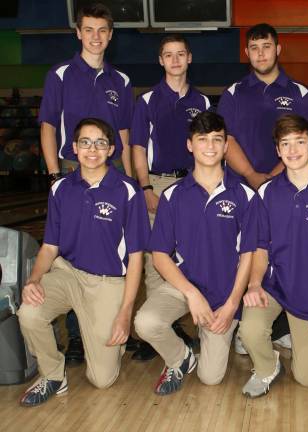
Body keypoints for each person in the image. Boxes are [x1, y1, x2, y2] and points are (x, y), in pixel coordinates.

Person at [17, 118, 149, 407]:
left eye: (100, 142)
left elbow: (137, 257)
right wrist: (34, 279)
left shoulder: (128, 190)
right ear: (74, 148)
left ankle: (107, 340)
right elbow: (50, 246)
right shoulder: (60, 189)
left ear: (111, 149)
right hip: (68, 273)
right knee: (29, 311)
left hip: (107, 283)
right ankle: (53, 374)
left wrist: (126, 312)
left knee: (102, 379)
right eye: (85, 142)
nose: (93, 149)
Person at [134, 112, 258, 395]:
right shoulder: (173, 195)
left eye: (217, 139)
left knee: (211, 378)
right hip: (184, 286)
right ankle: (180, 358)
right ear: (190, 145)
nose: (211, 146)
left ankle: (216, 334)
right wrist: (191, 294)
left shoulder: (244, 196)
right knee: (145, 322)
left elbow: (248, 255)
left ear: (227, 146)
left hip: (224, 295)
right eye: (203, 140)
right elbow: (160, 255)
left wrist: (230, 305)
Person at [38, 3, 135, 365]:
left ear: (110, 35)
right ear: (78, 32)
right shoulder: (60, 75)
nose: (95, 37)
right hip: (70, 170)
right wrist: (53, 175)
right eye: (89, 29)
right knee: (70, 250)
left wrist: (126, 178)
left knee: (114, 248)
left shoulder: (121, 82)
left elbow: (123, 133)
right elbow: (48, 125)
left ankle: (119, 321)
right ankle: (76, 335)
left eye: (102, 30)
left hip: (111, 174)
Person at [239, 114, 308, 398]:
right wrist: (253, 284)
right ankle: (266, 367)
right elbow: (260, 247)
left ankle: (297, 336)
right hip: (275, 286)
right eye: (285, 144)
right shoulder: (266, 192)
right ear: (277, 151)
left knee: (307, 379)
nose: (292, 150)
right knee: (249, 329)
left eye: (299, 142)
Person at [130, 34, 209, 361]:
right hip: (158, 185)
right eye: (168, 55)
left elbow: (208, 147)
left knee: (194, 252)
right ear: (161, 61)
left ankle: (202, 322)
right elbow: (137, 147)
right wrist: (146, 187)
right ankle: (158, 331)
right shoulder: (147, 100)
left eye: (180, 54)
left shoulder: (202, 102)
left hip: (192, 185)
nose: (175, 60)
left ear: (189, 58)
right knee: (154, 258)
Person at [217, 22, 308, 190]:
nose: (261, 53)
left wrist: (271, 179)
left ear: (277, 49)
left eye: (266, 46)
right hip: (239, 188)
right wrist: (251, 175)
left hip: (289, 187)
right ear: (247, 53)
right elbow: (226, 140)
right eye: (254, 48)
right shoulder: (232, 94)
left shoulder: (301, 94)